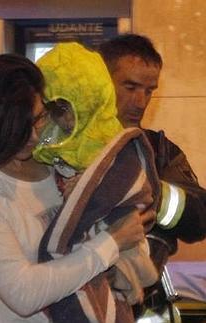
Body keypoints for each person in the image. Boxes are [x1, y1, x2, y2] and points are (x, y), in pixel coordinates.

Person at [0, 53, 153, 322]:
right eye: (20, 127)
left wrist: (120, 253)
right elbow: (23, 294)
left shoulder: (57, 160)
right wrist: (110, 244)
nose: (35, 136)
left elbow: (125, 237)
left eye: (39, 117)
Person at [99, 34, 206, 313]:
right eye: (130, 86)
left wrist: (152, 194)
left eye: (149, 90)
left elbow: (201, 218)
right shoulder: (67, 150)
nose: (140, 101)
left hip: (145, 304)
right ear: (101, 82)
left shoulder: (159, 151)